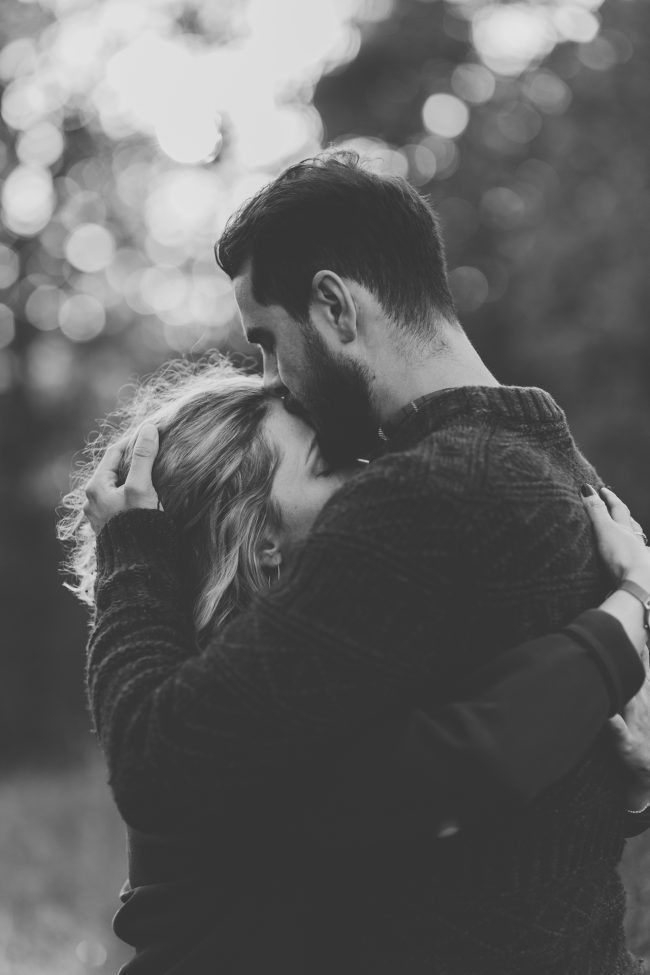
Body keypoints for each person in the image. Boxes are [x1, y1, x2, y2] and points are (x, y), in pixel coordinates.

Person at [79, 153, 650, 974]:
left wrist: (133, 553)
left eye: (269, 343)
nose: (272, 378)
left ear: (336, 306)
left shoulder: (433, 493)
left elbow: (163, 765)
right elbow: (481, 763)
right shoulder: (561, 467)